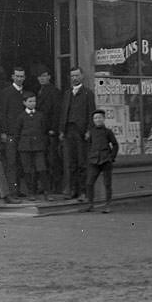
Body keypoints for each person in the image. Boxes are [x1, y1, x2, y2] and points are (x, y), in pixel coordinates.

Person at [59, 66, 96, 200]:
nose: (74, 78)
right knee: (71, 163)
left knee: (82, 163)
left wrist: (89, 130)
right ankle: (72, 190)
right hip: (69, 131)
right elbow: (64, 113)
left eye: (76, 75)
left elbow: (92, 113)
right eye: (72, 76)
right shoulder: (67, 93)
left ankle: (83, 192)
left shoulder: (88, 93)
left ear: (82, 76)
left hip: (81, 132)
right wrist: (62, 130)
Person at [0, 66, 27, 196]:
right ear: (12, 77)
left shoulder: (25, 93)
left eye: (21, 76)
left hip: (23, 134)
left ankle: (19, 189)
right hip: (10, 133)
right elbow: (1, 113)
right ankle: (11, 191)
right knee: (11, 162)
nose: (19, 79)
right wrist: (3, 131)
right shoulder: (6, 92)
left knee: (21, 162)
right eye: (17, 76)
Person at [13, 91, 51, 200]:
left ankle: (46, 191)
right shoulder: (21, 117)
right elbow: (17, 132)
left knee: (41, 168)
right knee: (28, 170)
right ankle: (31, 192)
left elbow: (44, 129)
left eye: (34, 101)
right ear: (24, 103)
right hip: (25, 147)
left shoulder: (40, 115)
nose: (32, 103)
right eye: (30, 101)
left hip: (38, 146)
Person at [32, 64, 61, 193]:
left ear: (49, 77)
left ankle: (54, 186)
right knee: (42, 159)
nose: (42, 78)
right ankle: (44, 186)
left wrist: (53, 129)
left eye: (45, 76)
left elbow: (56, 112)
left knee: (52, 159)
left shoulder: (54, 91)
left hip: (50, 131)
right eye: (40, 76)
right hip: (41, 130)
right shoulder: (39, 91)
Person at [84, 109, 119, 213]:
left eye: (99, 118)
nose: (97, 120)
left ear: (103, 119)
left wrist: (112, 157)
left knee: (107, 184)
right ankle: (90, 204)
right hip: (94, 160)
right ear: (93, 120)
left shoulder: (108, 132)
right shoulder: (91, 132)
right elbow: (88, 145)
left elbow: (115, 145)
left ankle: (108, 205)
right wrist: (89, 157)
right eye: (95, 118)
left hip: (105, 160)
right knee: (89, 183)